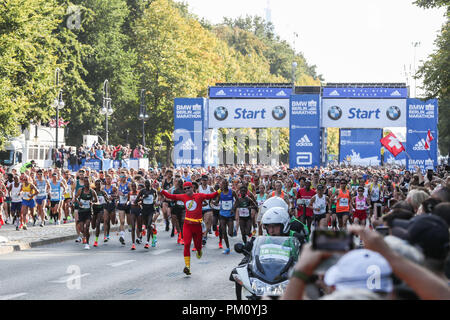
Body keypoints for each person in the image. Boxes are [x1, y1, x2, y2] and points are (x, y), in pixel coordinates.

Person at [160, 181, 218, 276]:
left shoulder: (199, 196)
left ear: (192, 188)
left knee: (198, 246)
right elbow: (171, 196)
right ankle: (187, 267)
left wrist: (220, 190)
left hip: (197, 226)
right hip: (187, 225)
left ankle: (199, 250)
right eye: (185, 189)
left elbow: (211, 196)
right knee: (186, 244)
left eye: (188, 188)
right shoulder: (183, 196)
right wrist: (160, 189)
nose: (187, 190)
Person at [75, 176, 98, 250]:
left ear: (89, 183)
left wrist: (92, 202)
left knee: (87, 227)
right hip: (81, 211)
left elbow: (96, 200)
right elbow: (75, 197)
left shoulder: (92, 191)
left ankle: (87, 243)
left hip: (88, 211)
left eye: (87, 182)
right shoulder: (80, 190)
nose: (86, 183)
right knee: (82, 229)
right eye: (85, 182)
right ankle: (85, 236)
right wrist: (79, 202)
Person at [135, 179, 158, 249]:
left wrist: (155, 201)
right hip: (144, 210)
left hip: (151, 210)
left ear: (151, 184)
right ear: (145, 184)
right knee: (146, 225)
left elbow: (156, 198)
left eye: (149, 184)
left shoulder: (154, 191)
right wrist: (143, 198)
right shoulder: (142, 191)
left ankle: (147, 242)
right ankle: (154, 237)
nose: (147, 185)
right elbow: (136, 200)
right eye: (146, 184)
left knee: (149, 225)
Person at [92, 179, 108, 248]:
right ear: (95, 185)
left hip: (100, 210)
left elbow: (107, 201)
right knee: (93, 226)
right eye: (97, 184)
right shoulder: (92, 192)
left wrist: (106, 198)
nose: (98, 186)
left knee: (98, 223)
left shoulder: (103, 192)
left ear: (101, 185)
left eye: (100, 185)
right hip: (93, 210)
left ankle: (96, 241)